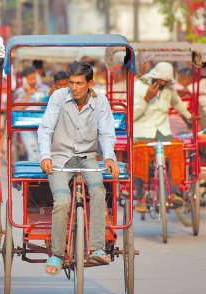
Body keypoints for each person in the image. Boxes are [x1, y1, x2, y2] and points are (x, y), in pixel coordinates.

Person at [38, 61, 120, 276]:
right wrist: (45, 156)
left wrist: (110, 158)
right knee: (63, 202)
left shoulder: (101, 101)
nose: (74, 88)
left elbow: (106, 133)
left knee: (99, 190)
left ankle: (97, 247)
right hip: (59, 158)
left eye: (79, 83)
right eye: (71, 83)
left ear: (90, 84)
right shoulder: (58, 97)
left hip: (88, 157)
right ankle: (56, 253)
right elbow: (45, 129)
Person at [133, 62, 200, 212]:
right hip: (142, 130)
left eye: (165, 81)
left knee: (177, 148)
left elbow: (177, 103)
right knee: (138, 154)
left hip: (163, 131)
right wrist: (146, 98)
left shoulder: (169, 89)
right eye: (160, 80)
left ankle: (175, 192)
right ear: (154, 76)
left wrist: (190, 116)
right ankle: (141, 198)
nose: (162, 83)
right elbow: (133, 116)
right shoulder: (138, 86)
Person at [13, 66, 49, 161]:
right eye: (30, 79)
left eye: (34, 78)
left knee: (43, 151)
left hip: (43, 124)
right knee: (32, 151)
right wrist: (28, 93)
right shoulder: (20, 92)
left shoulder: (45, 90)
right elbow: (17, 108)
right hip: (26, 125)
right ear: (25, 80)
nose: (33, 81)